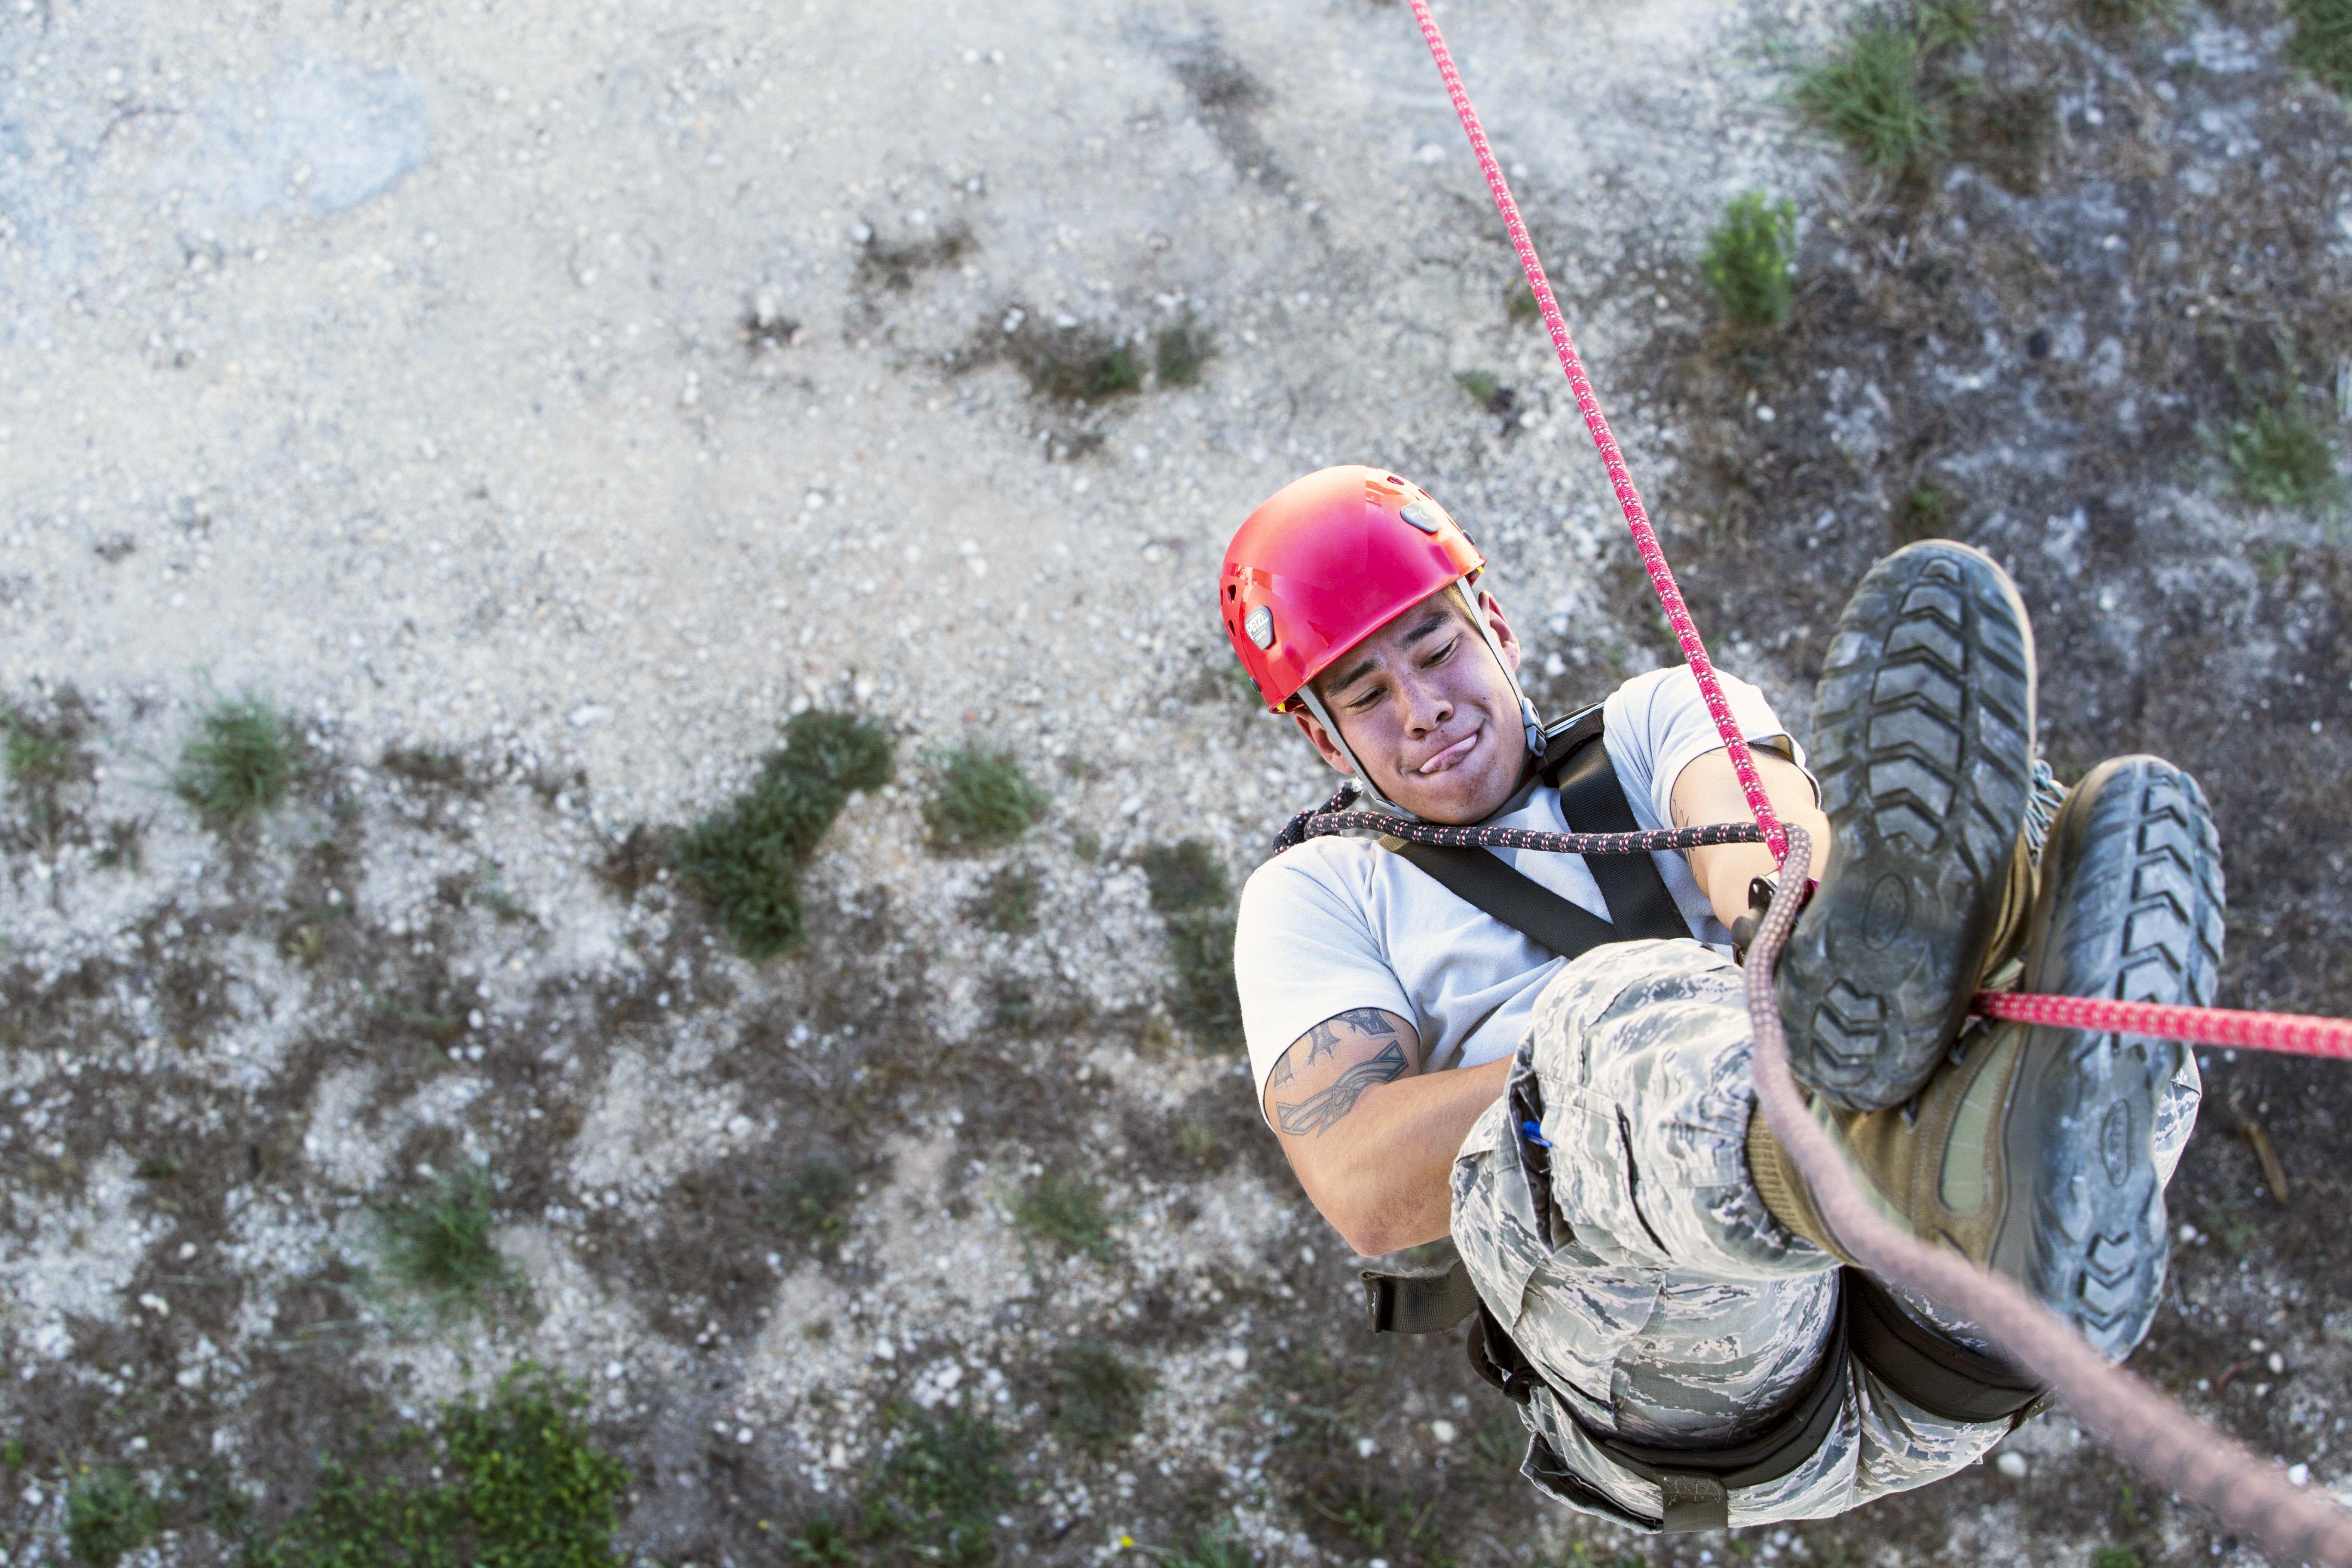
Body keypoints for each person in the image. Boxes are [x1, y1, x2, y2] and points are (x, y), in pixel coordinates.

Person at [1220, 466, 2222, 1531]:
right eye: (1368, 697)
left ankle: (2032, 1133)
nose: (1424, 712)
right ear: (1323, 738)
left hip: (1956, 1333)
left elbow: (1769, 856)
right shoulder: (1321, 895)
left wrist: (1805, 933)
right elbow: (1362, 1184)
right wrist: (1621, 1062)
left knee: (2015, 827)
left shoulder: (1658, 719)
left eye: (1437, 651)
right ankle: (1889, 1149)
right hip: (1711, 1385)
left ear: (1495, 625)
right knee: (1609, 1018)